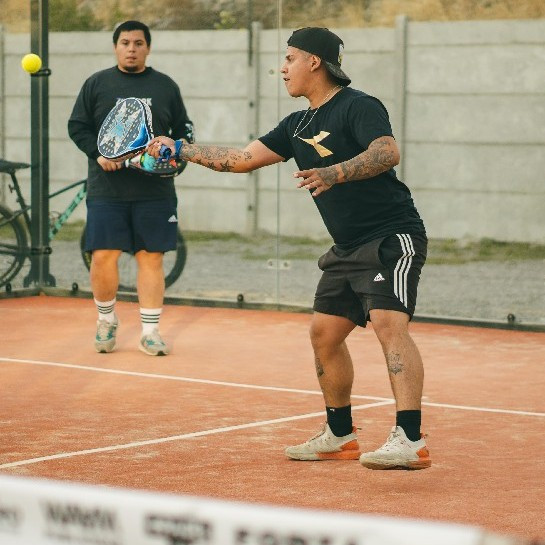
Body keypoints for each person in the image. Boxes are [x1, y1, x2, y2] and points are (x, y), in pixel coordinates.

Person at [146, 27, 431, 469]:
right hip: (346, 247)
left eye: (289, 58)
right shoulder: (295, 125)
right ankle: (340, 435)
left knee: (388, 323)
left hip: (391, 236)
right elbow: (241, 160)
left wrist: (335, 172)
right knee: (324, 334)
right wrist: (180, 147)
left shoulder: (359, 105)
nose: (282, 68)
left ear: (314, 61)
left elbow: (387, 152)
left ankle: (410, 439)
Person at [68, 20, 194, 356]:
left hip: (155, 193)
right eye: (125, 43)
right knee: (102, 256)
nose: (132, 49)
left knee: (151, 257)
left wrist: (175, 155)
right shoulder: (97, 84)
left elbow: (184, 130)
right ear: (116, 47)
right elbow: (77, 126)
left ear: (148, 48)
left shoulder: (166, 86)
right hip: (107, 191)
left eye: (138, 43)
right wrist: (98, 154)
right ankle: (106, 320)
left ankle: (150, 332)